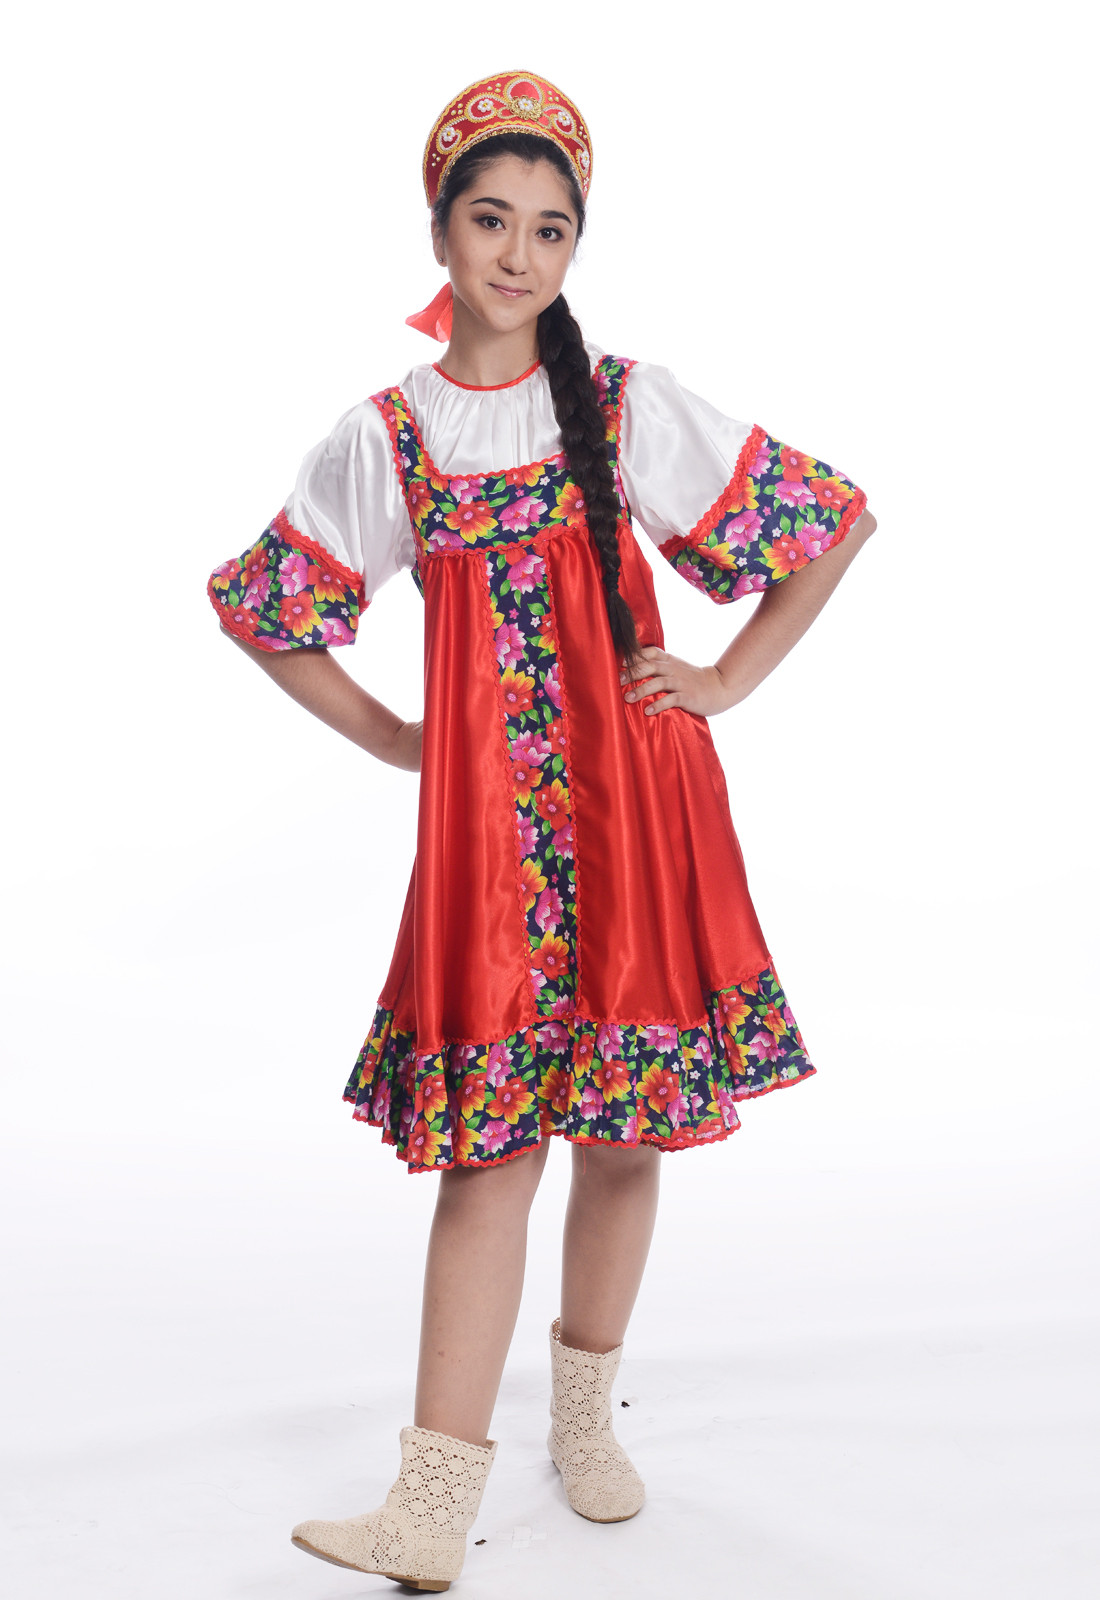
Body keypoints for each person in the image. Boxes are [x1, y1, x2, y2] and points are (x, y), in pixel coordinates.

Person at [207, 68, 876, 1594]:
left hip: (636, 812)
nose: (518, 253)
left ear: (579, 246)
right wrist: (400, 738)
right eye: (492, 219)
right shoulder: (390, 437)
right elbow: (265, 608)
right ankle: (430, 1508)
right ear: (439, 230)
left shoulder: (627, 405)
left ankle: (585, 1420)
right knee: (490, 1155)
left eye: (551, 228)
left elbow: (827, 520)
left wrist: (723, 682)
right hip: (493, 847)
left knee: (624, 1134)